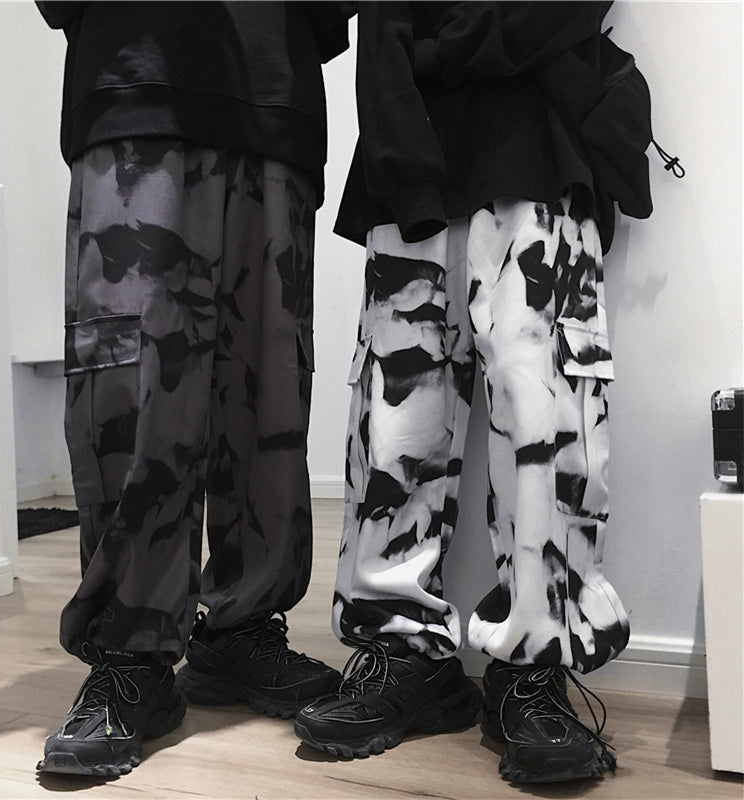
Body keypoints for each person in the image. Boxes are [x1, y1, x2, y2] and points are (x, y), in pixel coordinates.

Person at [294, 1, 656, 784]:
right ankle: (404, 655)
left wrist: (444, 46)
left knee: (547, 424)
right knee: (394, 427)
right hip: (409, 150)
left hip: (541, 147)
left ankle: (533, 668)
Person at [34, 1, 354, 777]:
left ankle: (242, 630)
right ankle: (129, 652)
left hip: (274, 99)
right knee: (132, 385)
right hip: (133, 85)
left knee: (268, 387)